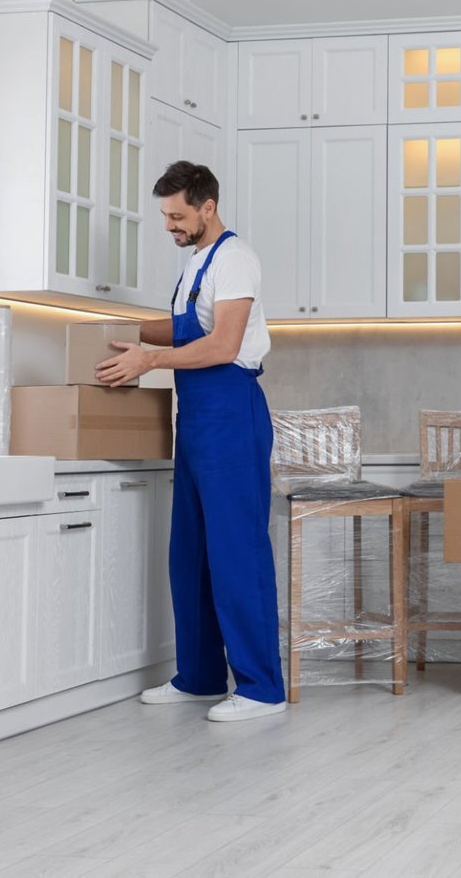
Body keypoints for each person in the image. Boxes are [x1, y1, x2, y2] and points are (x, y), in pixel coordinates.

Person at [96, 161, 286, 723]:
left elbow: (223, 345)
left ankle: (260, 688)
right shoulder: (196, 262)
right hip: (197, 419)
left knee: (236, 551)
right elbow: (183, 326)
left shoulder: (234, 259)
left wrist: (147, 358)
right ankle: (200, 676)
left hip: (231, 412)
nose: (170, 225)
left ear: (208, 207)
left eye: (177, 215)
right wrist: (120, 333)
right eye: (165, 215)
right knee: (192, 553)